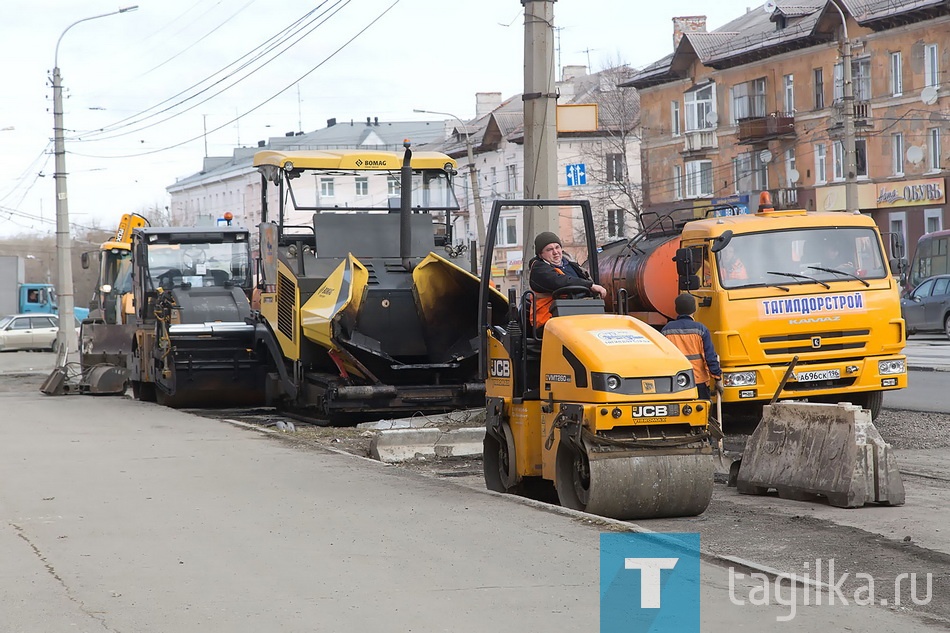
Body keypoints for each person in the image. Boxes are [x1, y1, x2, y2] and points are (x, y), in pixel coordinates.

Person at [527, 231, 607, 329]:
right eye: (549, 249)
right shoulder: (539, 270)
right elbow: (560, 282)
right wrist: (590, 285)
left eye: (557, 247)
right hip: (549, 319)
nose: (555, 252)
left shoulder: (572, 266)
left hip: (576, 314)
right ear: (540, 254)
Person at [661, 293, 722, 400]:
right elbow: (710, 357)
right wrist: (718, 378)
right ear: (694, 309)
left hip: (676, 382)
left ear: (676, 309)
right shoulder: (701, 329)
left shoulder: (666, 330)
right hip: (699, 382)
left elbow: (662, 358)